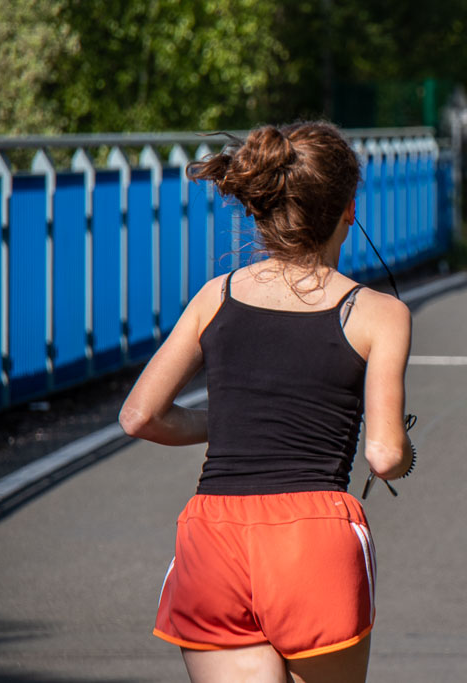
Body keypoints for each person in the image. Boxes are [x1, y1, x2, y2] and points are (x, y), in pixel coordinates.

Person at [119, 121, 415, 683]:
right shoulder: (378, 312)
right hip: (313, 534)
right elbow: (383, 454)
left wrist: (227, 423)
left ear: (262, 207)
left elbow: (139, 415)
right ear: (349, 209)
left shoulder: (217, 295)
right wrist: (405, 453)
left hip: (214, 536)